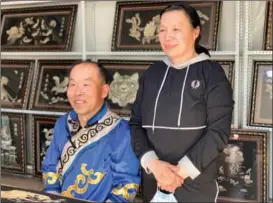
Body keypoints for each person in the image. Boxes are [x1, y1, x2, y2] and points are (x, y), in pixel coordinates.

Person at [130, 2, 234, 202]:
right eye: (162, 30)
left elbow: (218, 131)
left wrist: (178, 173)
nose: (168, 36)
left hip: (195, 187)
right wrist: (153, 164)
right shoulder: (153, 73)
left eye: (176, 29)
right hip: (155, 182)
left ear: (196, 32)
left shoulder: (212, 73)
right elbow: (135, 123)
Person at [42, 60, 141, 202]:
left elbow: (126, 184)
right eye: (72, 84)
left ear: (104, 91)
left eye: (86, 85)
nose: (78, 92)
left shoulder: (122, 131)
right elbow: (50, 166)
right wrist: (53, 195)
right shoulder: (63, 123)